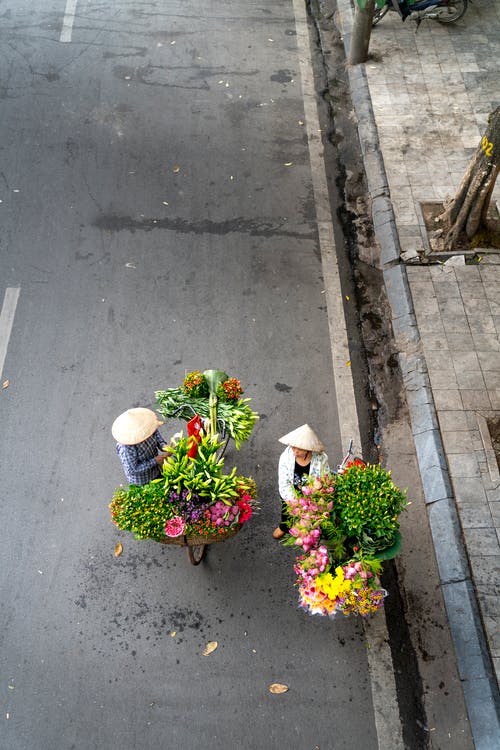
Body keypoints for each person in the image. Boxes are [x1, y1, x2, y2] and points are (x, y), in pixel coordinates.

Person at [274, 424, 330, 540]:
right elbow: (284, 483)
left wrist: (313, 498)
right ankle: (284, 527)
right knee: (286, 513)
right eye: (293, 447)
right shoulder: (286, 457)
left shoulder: (321, 459)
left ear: (308, 449)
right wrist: (297, 503)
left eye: (299, 449)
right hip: (290, 496)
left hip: (311, 496)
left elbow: (325, 479)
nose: (295, 451)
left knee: (311, 520)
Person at [112, 407, 170, 485]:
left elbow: (157, 436)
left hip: (157, 469)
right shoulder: (126, 448)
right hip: (143, 480)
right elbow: (133, 469)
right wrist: (155, 461)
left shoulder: (148, 427)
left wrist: (164, 446)